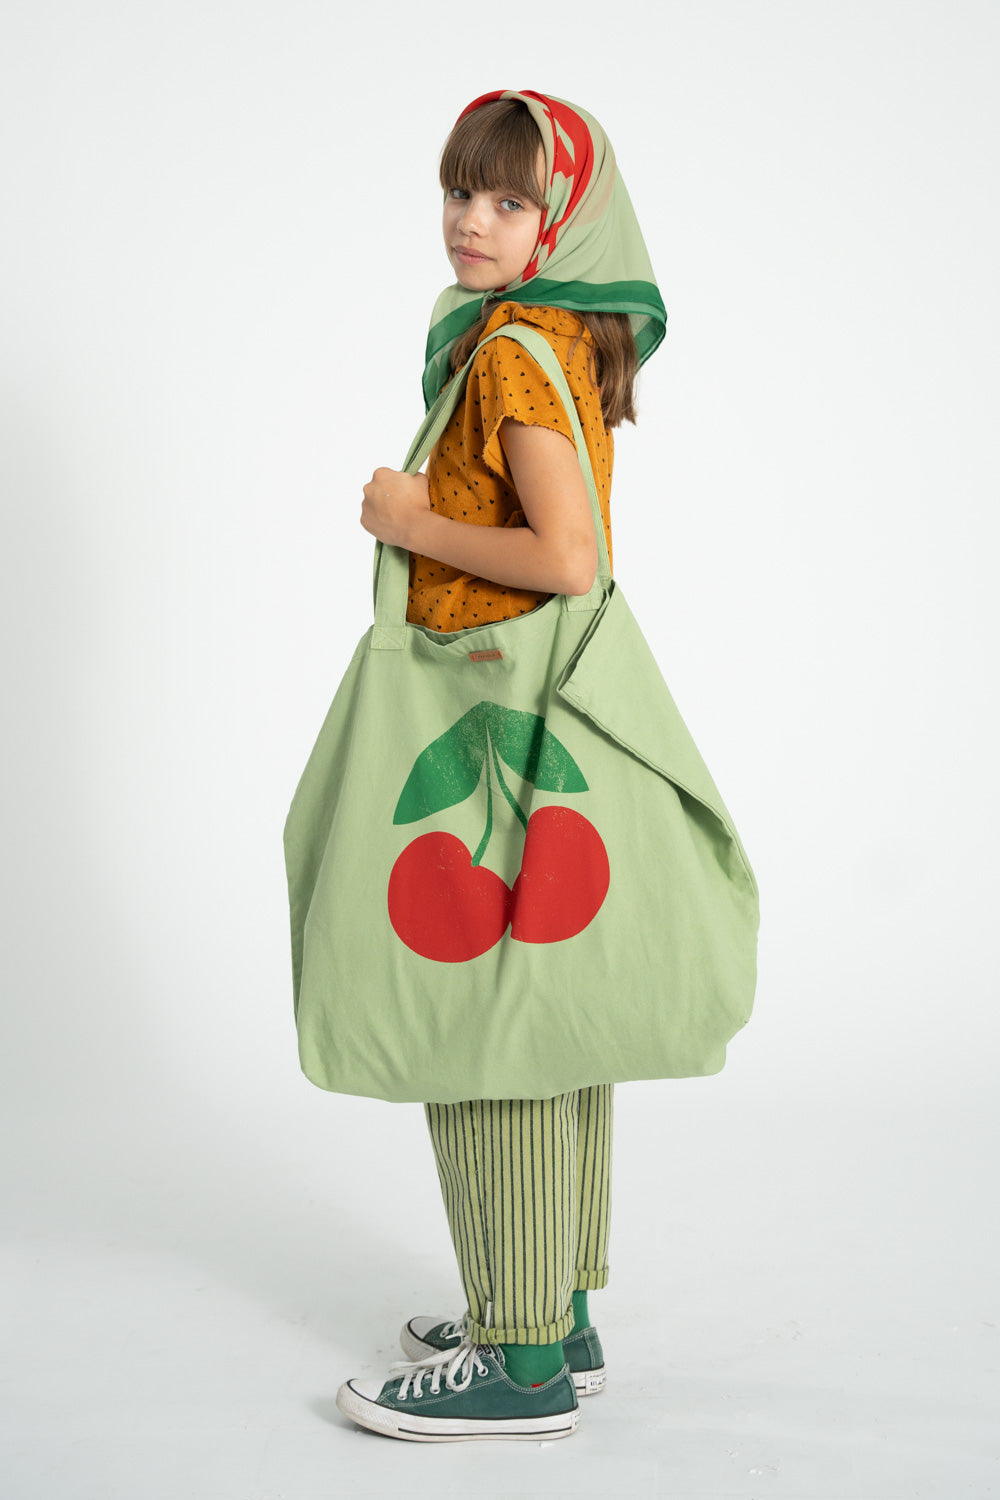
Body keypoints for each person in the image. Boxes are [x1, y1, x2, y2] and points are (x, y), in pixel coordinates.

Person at [334, 89, 668, 1442]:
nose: (473, 220)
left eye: (510, 200)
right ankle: (555, 1313)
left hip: (494, 717)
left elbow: (566, 559)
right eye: (461, 191)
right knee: (546, 1007)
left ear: (562, 220)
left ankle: (519, 1365)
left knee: (485, 1020)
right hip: (542, 720)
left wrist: (409, 520)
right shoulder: (555, 335)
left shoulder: (512, 357)